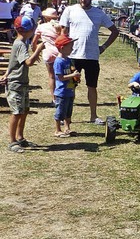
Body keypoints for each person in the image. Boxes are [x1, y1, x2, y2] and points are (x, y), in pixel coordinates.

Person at [59, 0, 119, 125]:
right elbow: (63, 32)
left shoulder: (99, 13)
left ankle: (93, 116)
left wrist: (103, 47)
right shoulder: (69, 10)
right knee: (70, 88)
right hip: (74, 56)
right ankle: (66, 117)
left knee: (92, 86)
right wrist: (62, 51)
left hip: (92, 57)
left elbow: (115, 31)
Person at [0, 16, 46, 153]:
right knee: (16, 112)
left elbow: (13, 62)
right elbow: (28, 63)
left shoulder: (21, 42)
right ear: (29, 30)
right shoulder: (20, 44)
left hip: (22, 82)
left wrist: (6, 73)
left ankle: (20, 137)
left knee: (24, 111)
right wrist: (38, 49)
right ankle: (12, 141)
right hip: (16, 84)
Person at [52, 33, 81, 138]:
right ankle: (57, 130)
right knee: (60, 111)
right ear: (63, 48)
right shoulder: (58, 62)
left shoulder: (68, 60)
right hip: (62, 92)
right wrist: (72, 75)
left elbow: (71, 70)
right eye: (70, 47)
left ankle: (67, 128)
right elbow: (60, 77)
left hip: (70, 90)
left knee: (69, 111)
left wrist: (75, 77)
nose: (72, 48)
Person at [32, 8, 62, 104]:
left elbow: (34, 42)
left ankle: (54, 99)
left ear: (45, 17)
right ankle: (62, 96)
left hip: (48, 53)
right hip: (60, 53)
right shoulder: (60, 27)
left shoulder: (41, 27)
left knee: (51, 76)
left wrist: (36, 52)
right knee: (61, 76)